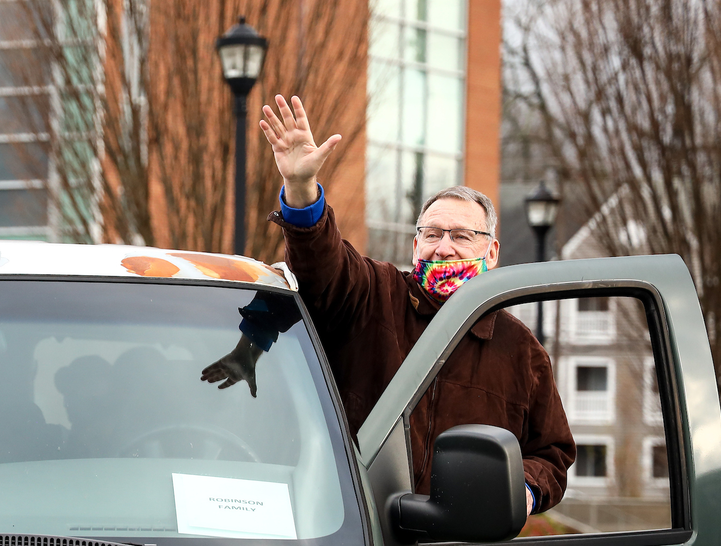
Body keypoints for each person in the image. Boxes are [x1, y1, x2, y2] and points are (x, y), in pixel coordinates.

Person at [202, 94, 574, 516]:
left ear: (491, 253)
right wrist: (302, 191)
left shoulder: (521, 351)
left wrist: (521, 492)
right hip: (354, 535)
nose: (444, 248)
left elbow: (553, 453)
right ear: (415, 245)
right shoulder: (373, 293)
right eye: (432, 235)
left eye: (462, 236)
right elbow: (324, 266)